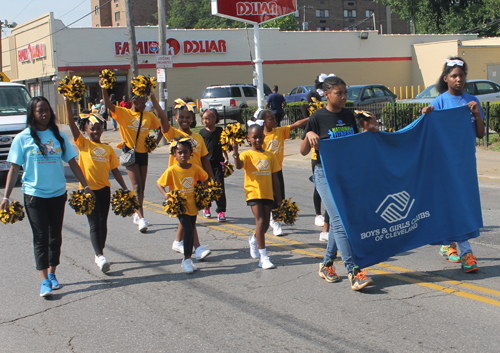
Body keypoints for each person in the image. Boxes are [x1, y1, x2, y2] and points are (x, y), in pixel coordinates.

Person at [0, 96, 94, 297]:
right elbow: (14, 169)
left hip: (57, 194)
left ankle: (52, 274)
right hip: (34, 195)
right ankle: (44, 281)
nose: (44, 114)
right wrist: (6, 197)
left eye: (47, 110)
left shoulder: (57, 136)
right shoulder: (22, 138)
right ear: (32, 114)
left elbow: (73, 162)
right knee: (41, 237)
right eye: (39, 111)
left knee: (55, 236)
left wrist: (86, 186)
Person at [300, 75, 376, 290]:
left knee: (337, 220)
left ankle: (326, 264)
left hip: (346, 173)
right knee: (340, 219)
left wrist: (370, 129)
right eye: (339, 93)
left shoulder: (349, 115)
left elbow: (354, 143)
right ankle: (353, 270)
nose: (344, 97)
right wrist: (310, 134)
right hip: (323, 173)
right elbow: (304, 150)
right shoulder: (317, 117)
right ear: (327, 94)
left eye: (345, 93)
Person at [422, 57, 485, 273]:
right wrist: (425, 116)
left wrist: (476, 114)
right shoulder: (439, 102)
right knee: (456, 204)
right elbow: (428, 131)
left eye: (462, 75)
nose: (459, 79)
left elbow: (480, 134)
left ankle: (448, 244)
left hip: (466, 163)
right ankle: (466, 252)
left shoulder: (472, 101)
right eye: (454, 76)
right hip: (445, 164)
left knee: (463, 204)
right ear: (446, 78)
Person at [64, 96, 129, 273]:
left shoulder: (108, 149)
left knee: (103, 222)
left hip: (104, 190)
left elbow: (115, 171)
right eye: (92, 129)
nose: (95, 132)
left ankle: (99, 252)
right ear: (85, 130)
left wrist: (124, 188)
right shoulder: (83, 143)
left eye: (98, 129)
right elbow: (71, 122)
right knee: (94, 223)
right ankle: (100, 256)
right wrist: (68, 104)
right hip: (87, 191)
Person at [100, 80, 161, 233]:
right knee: (137, 186)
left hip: (143, 154)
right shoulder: (123, 113)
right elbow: (108, 104)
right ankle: (141, 218)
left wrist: (155, 143)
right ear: (134, 101)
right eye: (142, 102)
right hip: (130, 153)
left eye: (145, 102)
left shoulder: (148, 115)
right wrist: (104, 89)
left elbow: (162, 127)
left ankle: (136, 212)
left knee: (142, 188)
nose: (144, 105)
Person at [159, 98, 214, 260]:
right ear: (176, 118)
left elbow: (205, 160)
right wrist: (155, 99)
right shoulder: (174, 134)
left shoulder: (198, 138)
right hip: (179, 182)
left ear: (193, 119)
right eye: (181, 117)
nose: (184, 120)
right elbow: (162, 120)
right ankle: (197, 248)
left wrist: (210, 181)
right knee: (188, 216)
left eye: (188, 117)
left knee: (189, 215)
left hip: (196, 182)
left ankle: (178, 242)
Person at [233, 124, 282, 269]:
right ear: (248, 138)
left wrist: (279, 198)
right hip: (253, 192)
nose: (258, 139)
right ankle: (264, 257)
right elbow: (238, 165)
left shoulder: (270, 155)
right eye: (254, 137)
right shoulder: (247, 154)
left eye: (260, 136)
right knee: (260, 222)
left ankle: (254, 239)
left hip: (267, 193)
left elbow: (275, 178)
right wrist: (235, 152)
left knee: (266, 224)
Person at [157, 138, 209, 273]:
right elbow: (159, 184)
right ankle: (186, 260)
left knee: (191, 229)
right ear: (174, 154)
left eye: (186, 152)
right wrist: (166, 195)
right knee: (189, 230)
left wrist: (203, 192)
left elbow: (205, 178)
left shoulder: (195, 168)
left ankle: (189, 260)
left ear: (190, 153)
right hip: (180, 206)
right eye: (179, 152)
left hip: (193, 206)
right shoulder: (172, 170)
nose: (183, 155)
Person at [259, 109, 309, 236]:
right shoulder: (260, 136)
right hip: (264, 172)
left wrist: (311, 118)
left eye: (274, 118)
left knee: (279, 196)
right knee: (267, 197)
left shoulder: (279, 131)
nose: (274, 121)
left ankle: (275, 221)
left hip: (277, 170)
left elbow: (296, 124)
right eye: (271, 119)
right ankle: (270, 218)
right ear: (264, 121)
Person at [301, 91, 330, 241]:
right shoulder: (314, 115)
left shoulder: (325, 111)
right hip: (316, 157)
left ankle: (327, 227)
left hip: (331, 158)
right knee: (318, 187)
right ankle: (318, 214)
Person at [199, 108, 229, 222]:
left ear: (214, 119)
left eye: (207, 118)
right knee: (206, 186)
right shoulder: (202, 133)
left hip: (218, 163)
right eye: (203, 119)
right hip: (205, 163)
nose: (205, 121)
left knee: (219, 185)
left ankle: (221, 211)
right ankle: (206, 207)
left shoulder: (220, 131)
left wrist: (226, 157)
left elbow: (223, 145)